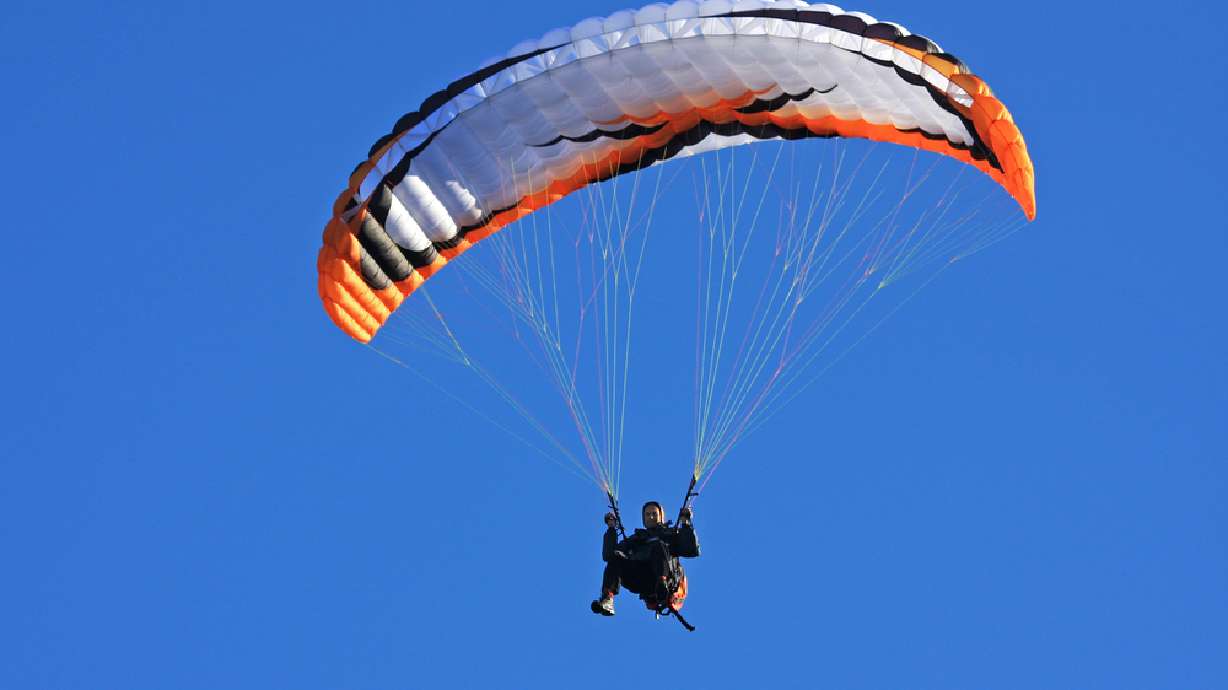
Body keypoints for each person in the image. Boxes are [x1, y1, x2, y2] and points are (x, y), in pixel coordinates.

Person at [590, 500, 700, 616]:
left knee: (658, 545)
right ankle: (608, 598)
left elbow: (691, 550)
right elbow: (609, 556)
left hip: (665, 579)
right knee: (616, 556)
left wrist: (685, 523)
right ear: (643, 519)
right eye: (647, 514)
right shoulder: (635, 539)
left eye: (654, 514)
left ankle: (662, 585)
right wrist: (611, 528)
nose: (651, 517)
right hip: (642, 580)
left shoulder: (670, 535)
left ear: (661, 516)